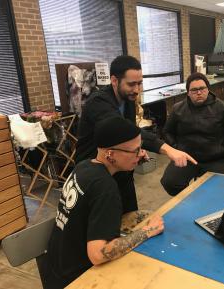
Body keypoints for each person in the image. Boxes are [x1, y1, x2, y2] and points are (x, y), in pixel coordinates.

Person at [42, 116, 165, 289]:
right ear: (110, 153)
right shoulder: (105, 188)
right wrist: (147, 231)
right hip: (76, 280)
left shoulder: (84, 166)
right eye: (135, 151)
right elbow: (98, 254)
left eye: (141, 148)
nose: (141, 154)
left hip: (54, 271)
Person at [75, 55, 197, 212]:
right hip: (95, 174)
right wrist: (168, 149)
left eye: (139, 83)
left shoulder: (128, 100)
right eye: (131, 84)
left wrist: (136, 150)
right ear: (114, 80)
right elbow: (124, 130)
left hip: (121, 169)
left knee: (131, 216)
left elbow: (129, 136)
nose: (137, 89)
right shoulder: (97, 103)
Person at [160, 72, 224, 196]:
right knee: (169, 182)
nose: (199, 93)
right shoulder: (178, 109)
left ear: (208, 89)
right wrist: (177, 149)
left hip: (216, 158)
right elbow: (167, 132)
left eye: (202, 89)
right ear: (188, 92)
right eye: (194, 90)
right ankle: (189, 200)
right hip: (188, 158)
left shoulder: (222, 107)